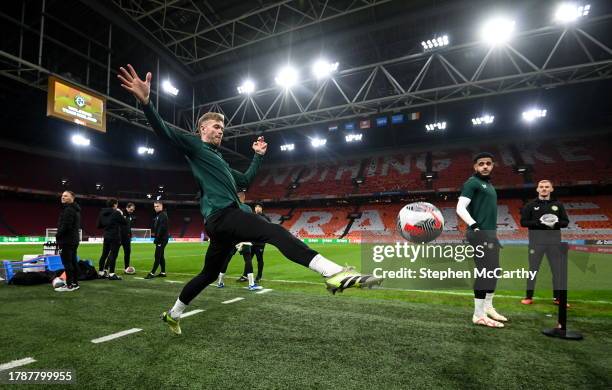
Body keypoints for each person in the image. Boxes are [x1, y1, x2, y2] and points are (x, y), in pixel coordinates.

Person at [118, 64, 382, 335]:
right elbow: (165, 132)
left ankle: (173, 314)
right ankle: (333, 273)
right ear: (202, 129)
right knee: (273, 231)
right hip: (223, 216)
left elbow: (244, 181)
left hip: (222, 225)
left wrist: (257, 156)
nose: (221, 131)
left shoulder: (219, 161)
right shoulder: (195, 147)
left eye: (223, 128)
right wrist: (148, 102)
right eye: (216, 126)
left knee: (208, 274)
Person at [456, 152, 507, 328]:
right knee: (485, 272)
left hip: (490, 234)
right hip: (479, 234)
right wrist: (475, 225)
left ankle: (488, 307)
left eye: (488, 163)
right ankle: (478, 315)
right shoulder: (472, 183)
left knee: (494, 271)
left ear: (492, 165)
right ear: (475, 167)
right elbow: (460, 208)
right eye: (481, 164)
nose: (485, 166)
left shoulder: (488, 185)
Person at [520, 179, 570, 305]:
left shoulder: (558, 205)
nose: (544, 189)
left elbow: (565, 222)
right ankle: (528, 297)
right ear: (537, 189)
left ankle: (558, 298)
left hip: (554, 243)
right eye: (541, 186)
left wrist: (555, 223)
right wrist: (539, 223)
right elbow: (523, 222)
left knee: (557, 271)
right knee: (532, 270)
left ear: (551, 189)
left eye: (547, 187)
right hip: (536, 243)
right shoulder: (530, 205)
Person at [217, 191, 262, 291]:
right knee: (248, 259)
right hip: (243, 238)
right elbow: (250, 223)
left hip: (231, 238)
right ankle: (251, 284)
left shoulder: (229, 208)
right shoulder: (247, 208)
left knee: (227, 259)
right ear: (244, 198)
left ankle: (220, 282)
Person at [54, 191, 81, 292]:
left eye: (66, 196)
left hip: (66, 240)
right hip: (73, 240)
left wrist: (57, 235)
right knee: (73, 262)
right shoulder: (75, 209)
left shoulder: (68, 210)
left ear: (72, 198)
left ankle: (69, 285)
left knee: (67, 263)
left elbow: (66, 226)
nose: (63, 197)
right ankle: (74, 283)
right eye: (62, 195)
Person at [97, 198, 126, 280]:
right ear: (114, 204)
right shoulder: (116, 212)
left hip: (106, 236)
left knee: (104, 254)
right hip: (115, 236)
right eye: (117, 204)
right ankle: (111, 274)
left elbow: (99, 225)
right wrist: (121, 214)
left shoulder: (102, 212)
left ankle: (101, 272)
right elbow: (124, 222)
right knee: (113, 255)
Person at [145, 201, 169, 279]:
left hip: (161, 239)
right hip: (161, 238)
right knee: (161, 256)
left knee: (157, 256)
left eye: (157, 206)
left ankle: (152, 273)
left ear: (161, 206)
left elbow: (162, 229)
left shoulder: (163, 215)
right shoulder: (159, 215)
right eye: (155, 206)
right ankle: (163, 272)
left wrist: (157, 239)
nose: (156, 208)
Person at [121, 202, 136, 273]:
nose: (132, 211)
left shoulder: (130, 216)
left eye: (133, 210)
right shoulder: (121, 213)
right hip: (119, 237)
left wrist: (130, 235)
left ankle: (126, 268)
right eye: (131, 209)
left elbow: (128, 227)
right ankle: (106, 268)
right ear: (127, 207)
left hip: (127, 238)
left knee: (127, 253)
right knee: (113, 253)